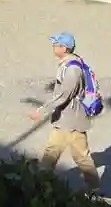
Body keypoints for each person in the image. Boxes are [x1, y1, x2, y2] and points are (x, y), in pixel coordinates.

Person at [30, 31, 100, 191]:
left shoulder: (72, 69)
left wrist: (42, 110)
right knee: (52, 152)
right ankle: (39, 183)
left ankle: (94, 188)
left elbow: (64, 95)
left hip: (72, 122)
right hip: (65, 119)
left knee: (81, 157)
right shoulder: (69, 63)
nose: (53, 47)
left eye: (56, 44)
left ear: (64, 48)